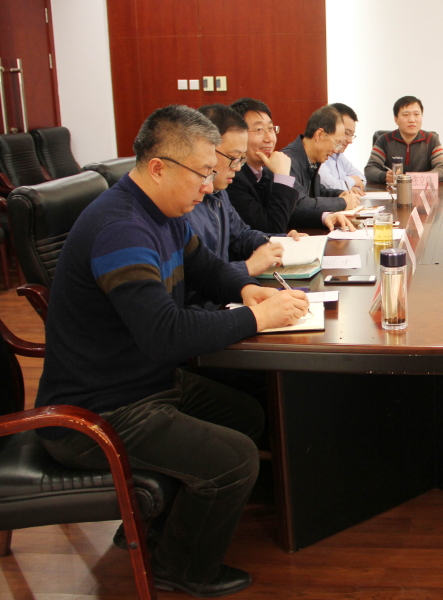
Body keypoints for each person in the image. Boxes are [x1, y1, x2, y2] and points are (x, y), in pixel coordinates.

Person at [34, 105, 310, 597]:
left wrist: (248, 290)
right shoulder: (121, 228)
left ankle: (157, 523)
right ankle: (180, 569)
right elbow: (165, 334)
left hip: (145, 383)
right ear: (159, 167)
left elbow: (208, 270)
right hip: (97, 412)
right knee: (236, 459)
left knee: (246, 414)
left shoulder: (164, 213)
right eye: (202, 173)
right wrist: (257, 318)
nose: (209, 187)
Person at [228, 98, 356, 233]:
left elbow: (287, 212)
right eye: (259, 130)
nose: (269, 138)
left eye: (270, 129)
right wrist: (282, 177)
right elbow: (272, 228)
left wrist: (324, 217)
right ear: (237, 135)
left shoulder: (264, 172)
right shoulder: (234, 178)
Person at [282, 105, 363, 217]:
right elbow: (299, 204)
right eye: (336, 143)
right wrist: (342, 202)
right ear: (319, 135)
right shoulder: (287, 161)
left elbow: (319, 191)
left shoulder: (311, 159)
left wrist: (340, 194)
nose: (336, 150)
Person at [364, 96, 443, 184]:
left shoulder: (431, 139)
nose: (412, 120)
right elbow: (370, 170)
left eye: (416, 114)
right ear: (396, 119)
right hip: (393, 190)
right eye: (406, 115)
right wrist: (384, 176)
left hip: (423, 190)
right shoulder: (384, 140)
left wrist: (414, 178)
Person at [318, 102, 366, 193]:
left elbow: (362, 179)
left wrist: (351, 188)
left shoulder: (339, 156)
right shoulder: (319, 155)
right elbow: (331, 186)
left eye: (352, 135)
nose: (350, 140)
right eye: (346, 133)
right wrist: (352, 181)